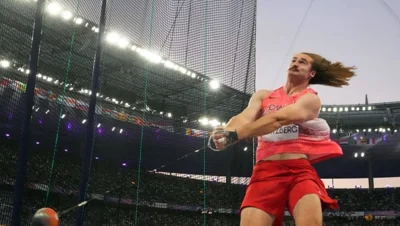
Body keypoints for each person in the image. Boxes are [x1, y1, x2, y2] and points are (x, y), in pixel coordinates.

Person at [211, 52, 357, 226]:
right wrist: (226, 132)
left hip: (299, 171)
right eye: (293, 60)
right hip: (265, 172)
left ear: (312, 73)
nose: (295, 63)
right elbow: (244, 117)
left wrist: (236, 135)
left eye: (302, 62)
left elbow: (278, 119)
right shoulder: (263, 96)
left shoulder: (310, 99)